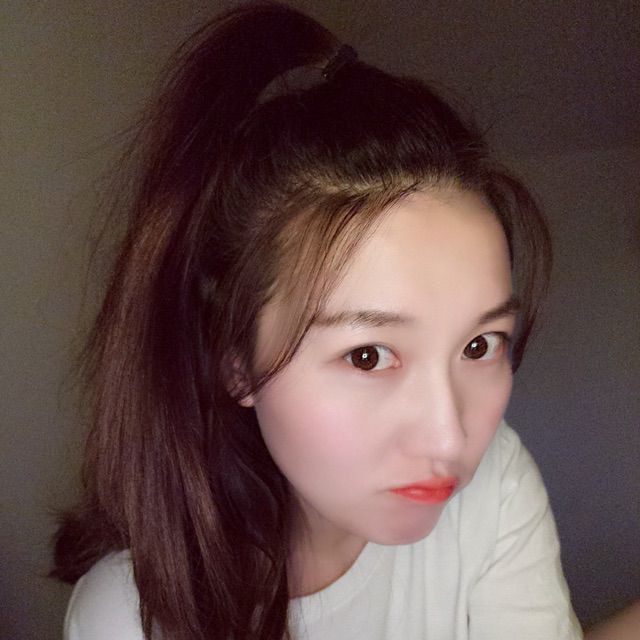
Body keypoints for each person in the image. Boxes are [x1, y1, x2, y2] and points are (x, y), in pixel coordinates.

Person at [52, 2, 584, 639]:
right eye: (368, 355)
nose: (450, 440)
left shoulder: (493, 485)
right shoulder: (128, 616)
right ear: (236, 363)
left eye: (479, 345)